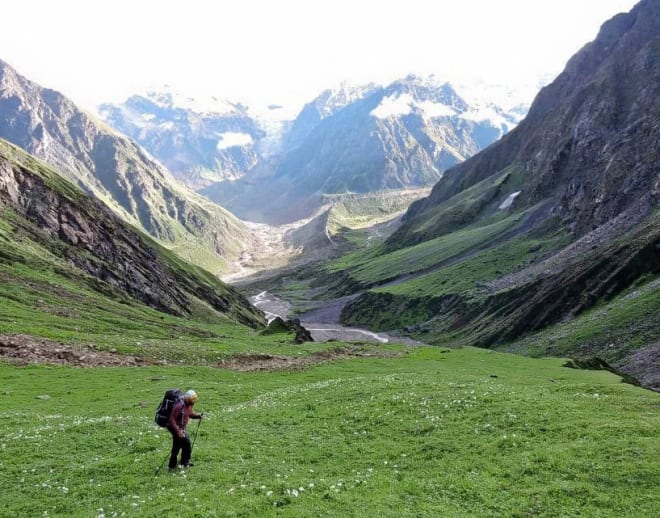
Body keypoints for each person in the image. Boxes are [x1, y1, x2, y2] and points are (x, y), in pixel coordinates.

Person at [167, 389, 203, 470]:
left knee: (183, 444)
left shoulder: (189, 404)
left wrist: (197, 416)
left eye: (195, 399)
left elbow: (189, 413)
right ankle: (173, 465)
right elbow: (171, 420)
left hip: (182, 427)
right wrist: (178, 431)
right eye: (192, 400)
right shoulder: (179, 405)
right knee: (180, 444)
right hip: (175, 427)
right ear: (187, 398)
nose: (194, 401)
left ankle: (182, 462)